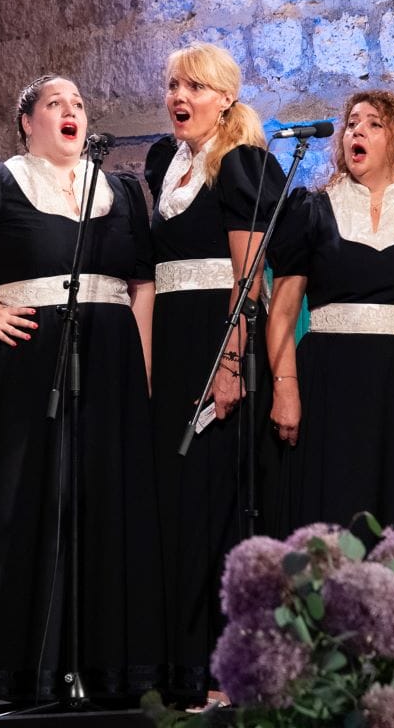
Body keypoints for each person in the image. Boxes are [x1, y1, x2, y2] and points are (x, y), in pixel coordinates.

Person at [0, 75, 165, 702]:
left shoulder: (119, 191)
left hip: (109, 363)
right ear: (27, 122)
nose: (71, 111)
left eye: (78, 103)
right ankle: (15, 664)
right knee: (21, 500)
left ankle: (103, 665)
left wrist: (139, 366)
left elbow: (141, 282)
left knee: (102, 503)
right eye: (55, 103)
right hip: (21, 365)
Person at [144, 42, 285, 702]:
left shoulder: (240, 164)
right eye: (174, 84)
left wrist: (230, 364)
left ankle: (231, 672)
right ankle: (182, 666)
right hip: (173, 342)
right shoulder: (163, 164)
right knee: (177, 503)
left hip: (217, 340)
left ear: (226, 98)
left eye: (195, 86)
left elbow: (248, 278)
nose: (180, 96)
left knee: (218, 501)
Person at [266, 90, 394, 532]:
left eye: (374, 124)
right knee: (335, 511)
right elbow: (283, 313)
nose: (356, 130)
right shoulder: (312, 210)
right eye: (351, 124)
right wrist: (285, 388)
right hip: (332, 388)